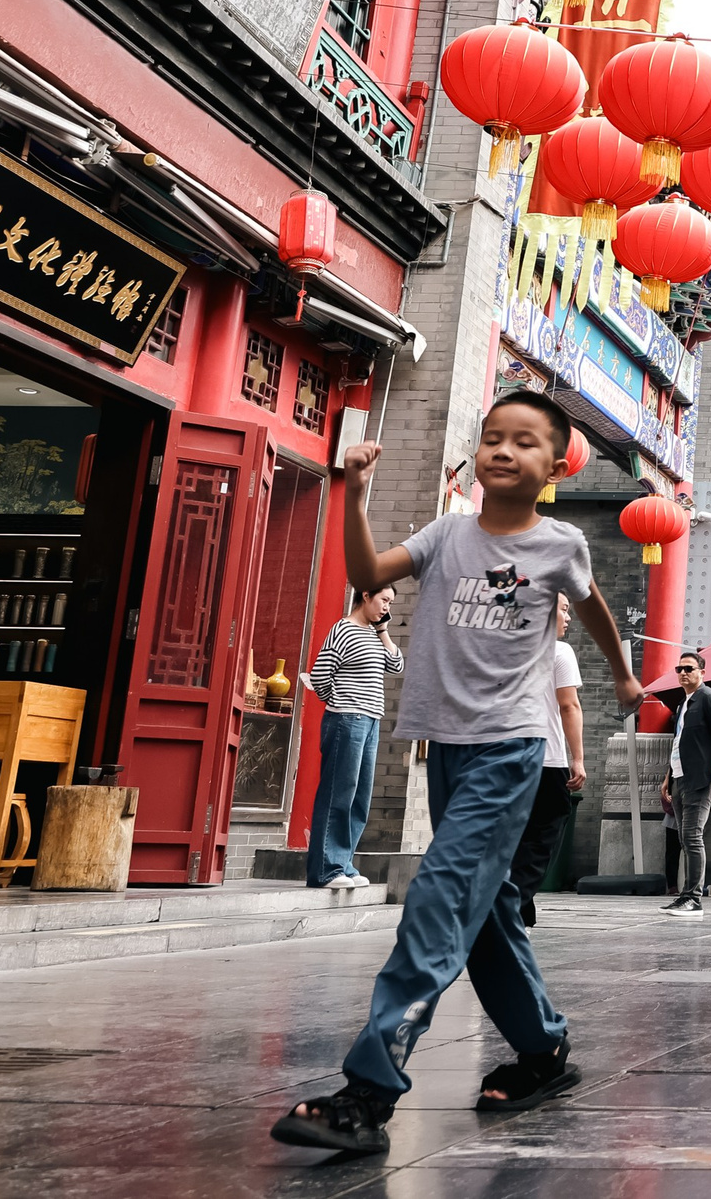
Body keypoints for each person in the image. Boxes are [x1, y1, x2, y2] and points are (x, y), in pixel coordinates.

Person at [273, 392, 641, 1157]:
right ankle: (542, 1048)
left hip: (509, 748)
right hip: (447, 746)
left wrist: (626, 675)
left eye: (525, 442)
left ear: (555, 466)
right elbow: (368, 569)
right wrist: (353, 490)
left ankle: (368, 1091)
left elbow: (597, 607)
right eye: (493, 438)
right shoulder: (447, 533)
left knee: (440, 896)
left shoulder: (561, 542)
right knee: (488, 905)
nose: (503, 450)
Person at [299, 585, 398, 890]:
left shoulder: (373, 633)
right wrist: (341, 702)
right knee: (338, 794)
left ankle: (343, 864)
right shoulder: (343, 629)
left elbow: (396, 664)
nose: (386, 607)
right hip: (347, 719)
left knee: (359, 798)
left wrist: (383, 630)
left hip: (370, 722)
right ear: (366, 595)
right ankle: (326, 870)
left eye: (391, 603)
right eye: (383, 600)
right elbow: (320, 677)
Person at [506, 596, 584, 927]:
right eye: (564, 610)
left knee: (512, 835)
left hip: (505, 755)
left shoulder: (508, 647)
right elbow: (569, 706)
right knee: (542, 837)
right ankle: (512, 905)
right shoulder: (560, 652)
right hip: (547, 757)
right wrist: (577, 758)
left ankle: (522, 906)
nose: (568, 617)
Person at [659, 655, 711, 917]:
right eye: (679, 669)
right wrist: (669, 776)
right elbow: (679, 742)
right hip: (680, 777)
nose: (683, 673)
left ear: (702, 672)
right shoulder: (683, 704)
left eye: (688, 669)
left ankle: (694, 898)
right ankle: (685, 896)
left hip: (700, 779)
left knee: (692, 836)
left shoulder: (709, 698)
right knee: (684, 837)